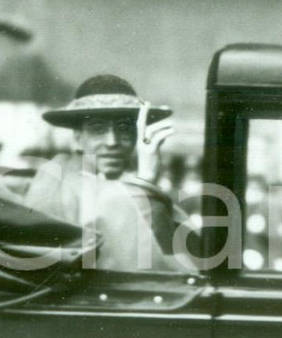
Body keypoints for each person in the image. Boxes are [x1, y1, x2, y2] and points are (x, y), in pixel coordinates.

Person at [25, 74, 187, 271]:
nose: (112, 142)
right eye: (98, 129)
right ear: (77, 139)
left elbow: (171, 260)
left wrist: (145, 182)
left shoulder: (123, 181)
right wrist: (144, 183)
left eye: (124, 129)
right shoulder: (55, 183)